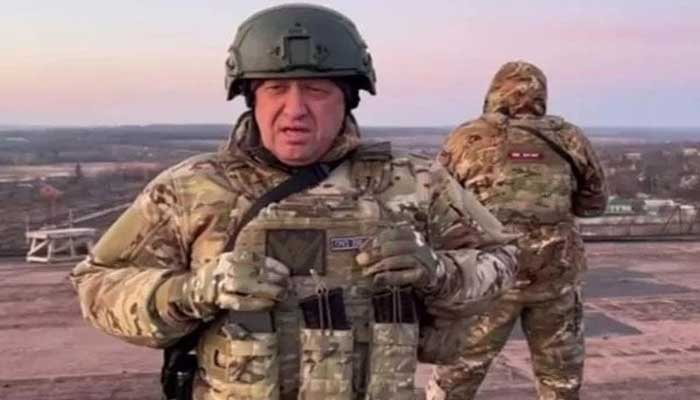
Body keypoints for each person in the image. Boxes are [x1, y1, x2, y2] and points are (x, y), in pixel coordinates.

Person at [70, 5, 519, 400]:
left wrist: (437, 271)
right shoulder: (192, 189)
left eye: (316, 90)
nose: (295, 108)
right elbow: (98, 286)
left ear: (348, 99)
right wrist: (194, 292)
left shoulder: (413, 182)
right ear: (251, 98)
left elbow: (502, 261)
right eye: (275, 89)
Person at [427, 61, 608, 400]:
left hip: (488, 279)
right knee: (560, 382)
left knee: (456, 379)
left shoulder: (467, 138)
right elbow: (593, 205)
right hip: (555, 279)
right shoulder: (569, 138)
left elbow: (436, 205)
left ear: (495, 94)